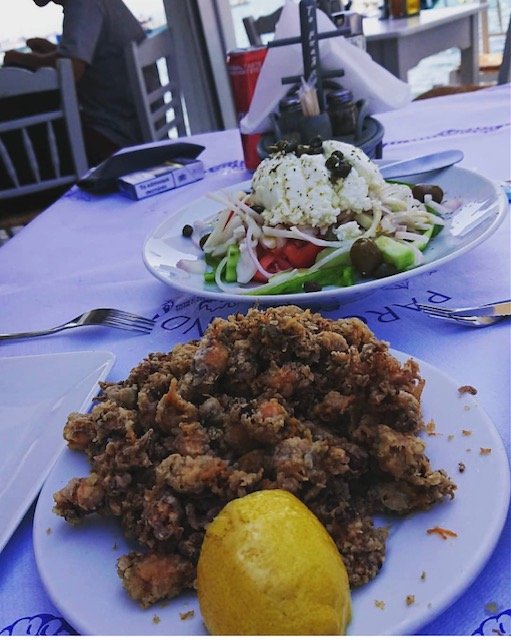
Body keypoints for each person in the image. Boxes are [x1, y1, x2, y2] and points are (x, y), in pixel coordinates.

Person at [3, 0, 149, 166]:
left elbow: (72, 69)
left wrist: (22, 59)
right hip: (130, 125)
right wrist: (52, 52)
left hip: (116, 137)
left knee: (12, 124)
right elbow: (81, 59)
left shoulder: (82, 4)